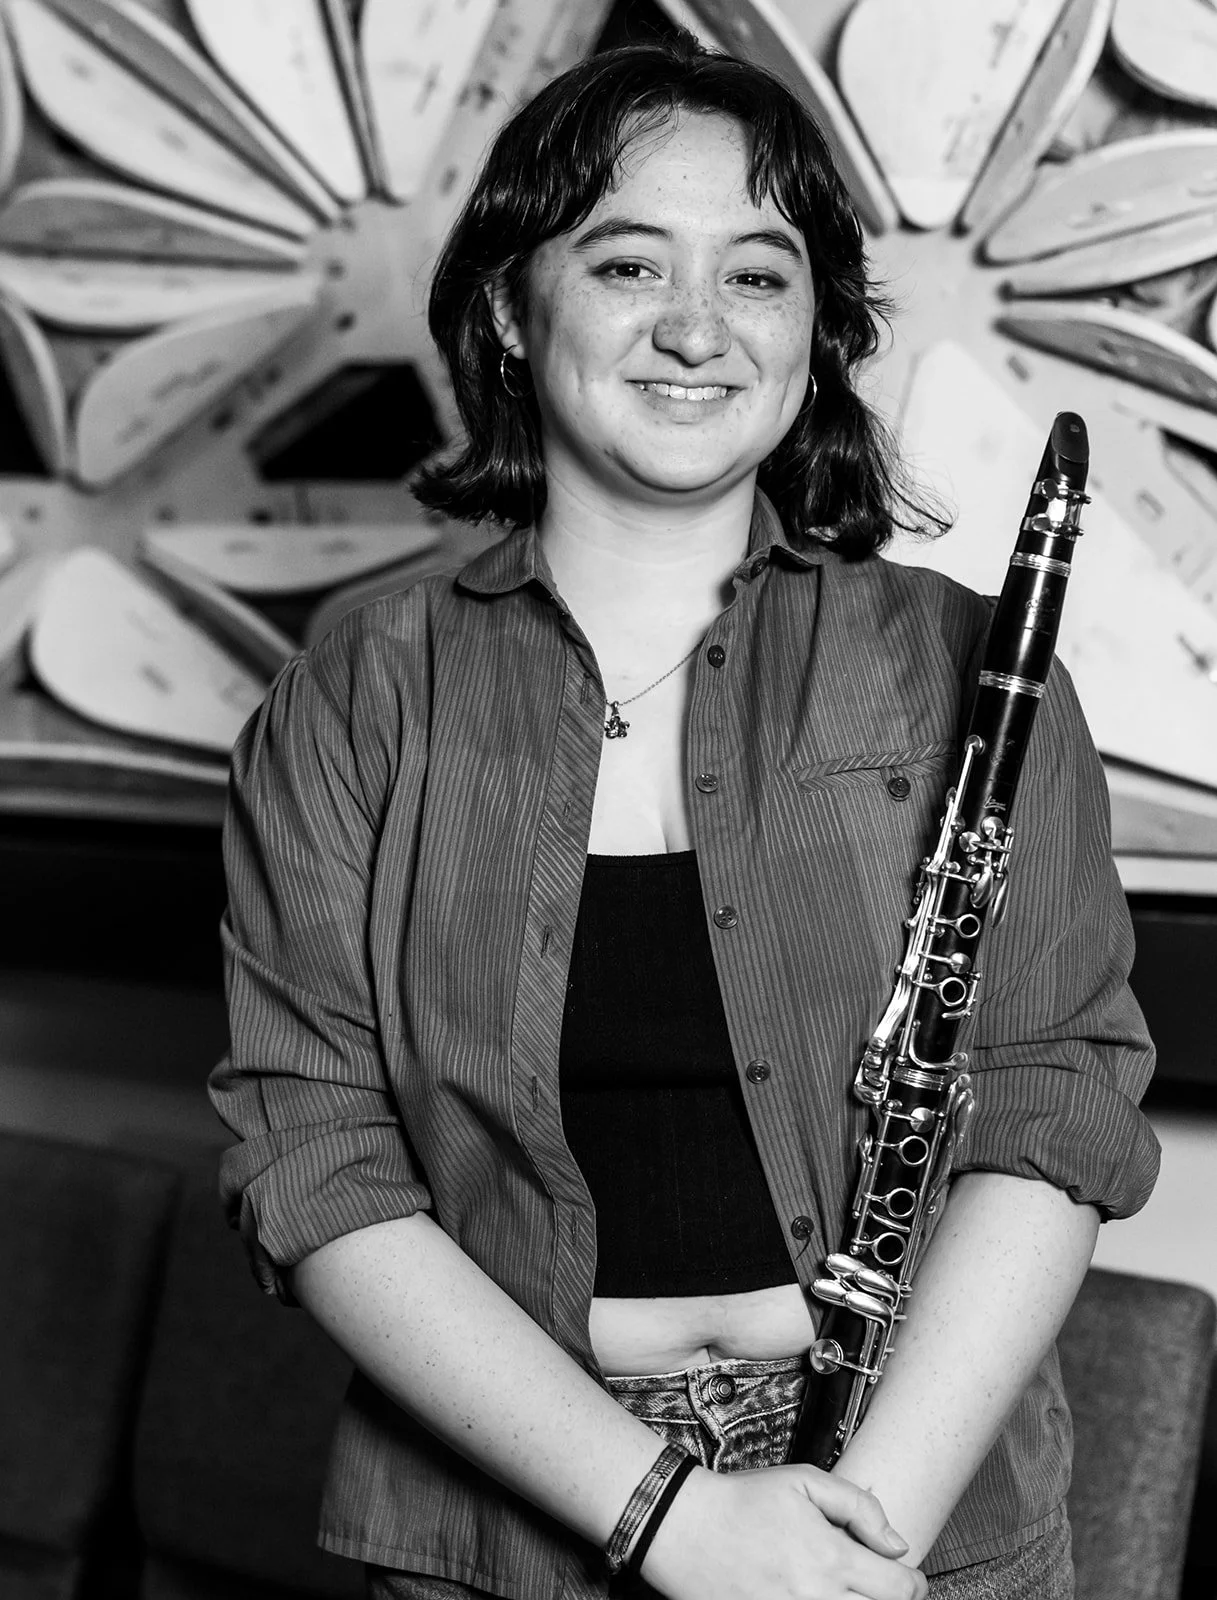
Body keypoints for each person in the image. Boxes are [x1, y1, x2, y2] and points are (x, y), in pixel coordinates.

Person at [209, 34, 1159, 1600]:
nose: (698, 327)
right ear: (510, 307)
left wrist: (856, 1535)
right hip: (507, 1520)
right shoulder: (353, 703)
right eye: (629, 262)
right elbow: (315, 1165)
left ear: (815, 326)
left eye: (758, 275)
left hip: (909, 1507)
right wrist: (675, 1520)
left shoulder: (967, 669)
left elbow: (1050, 1108)